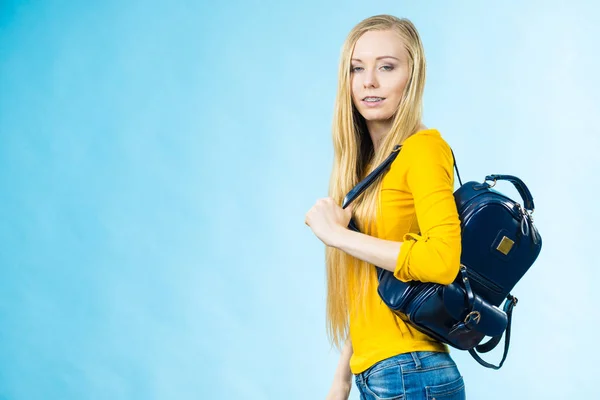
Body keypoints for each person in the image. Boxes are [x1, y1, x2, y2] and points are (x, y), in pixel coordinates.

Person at [305, 15, 466, 400]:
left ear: (413, 76)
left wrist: (338, 235)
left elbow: (442, 259)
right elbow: (370, 293)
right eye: (357, 68)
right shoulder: (367, 171)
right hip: (380, 373)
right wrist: (341, 380)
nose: (368, 82)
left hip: (412, 373)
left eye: (386, 67)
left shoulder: (424, 149)